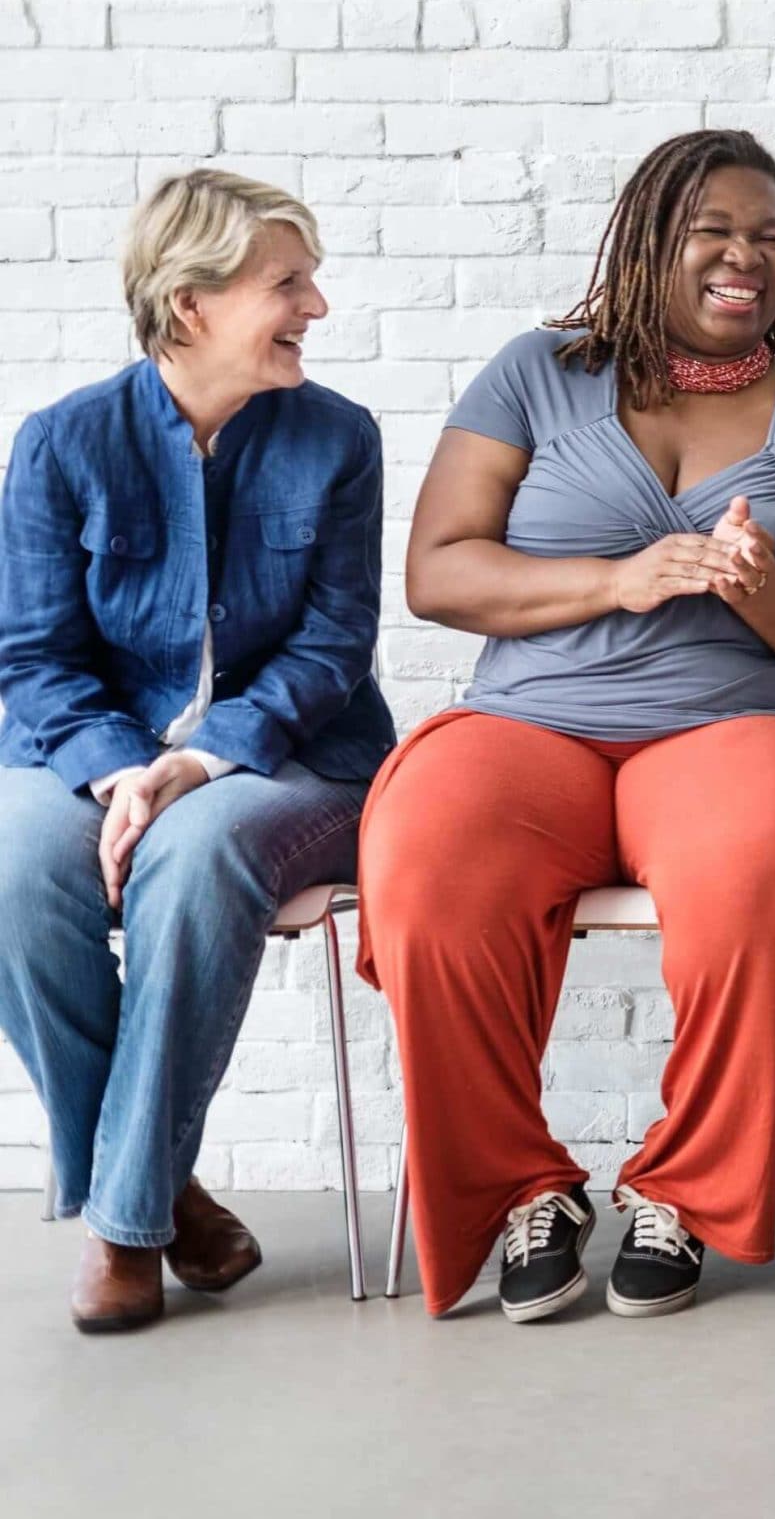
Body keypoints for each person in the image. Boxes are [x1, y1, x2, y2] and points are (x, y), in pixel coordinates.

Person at [359, 129, 775, 1323]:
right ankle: (518, 1192)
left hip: (739, 727)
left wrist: (762, 588)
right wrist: (618, 578)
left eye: (769, 237)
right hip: (529, 725)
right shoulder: (534, 374)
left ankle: (684, 1193)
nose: (742, 257)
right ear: (652, 239)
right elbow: (439, 572)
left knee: (752, 865)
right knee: (424, 863)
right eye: (713, 229)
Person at [0, 170, 393, 1332]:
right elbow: (32, 656)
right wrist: (127, 768)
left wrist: (199, 762)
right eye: (287, 283)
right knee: (15, 869)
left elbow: (333, 648)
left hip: (291, 766)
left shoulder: (338, 440)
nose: (314, 305)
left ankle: (123, 1229)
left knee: (194, 854)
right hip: (90, 758)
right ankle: (163, 1185)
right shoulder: (62, 444)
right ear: (190, 307)